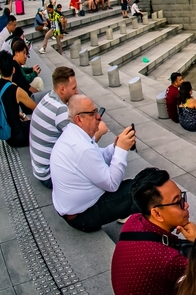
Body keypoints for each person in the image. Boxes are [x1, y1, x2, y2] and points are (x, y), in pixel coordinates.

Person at [49, 94, 138, 232]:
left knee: (135, 185)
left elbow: (98, 156)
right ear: (79, 119)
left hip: (74, 210)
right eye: (92, 113)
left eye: (96, 111)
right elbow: (112, 184)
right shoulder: (81, 147)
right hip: (83, 217)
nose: (99, 117)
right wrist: (121, 150)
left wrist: (114, 147)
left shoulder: (73, 133)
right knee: (141, 189)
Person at [110, 168, 196, 295]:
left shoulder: (134, 220)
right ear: (157, 213)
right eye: (177, 202)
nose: (186, 205)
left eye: (182, 197)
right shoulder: (168, 260)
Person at [30, 67, 106, 188]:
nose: (77, 91)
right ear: (62, 89)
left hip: (39, 169)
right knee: (97, 172)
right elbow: (80, 147)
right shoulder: (60, 110)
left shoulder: (47, 99)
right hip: (49, 175)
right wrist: (99, 132)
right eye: (74, 88)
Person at [0, 51, 37, 147]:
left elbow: (6, 107)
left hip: (7, 136)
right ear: (13, 70)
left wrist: (21, 116)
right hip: (18, 137)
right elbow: (36, 108)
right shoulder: (16, 90)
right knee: (42, 128)